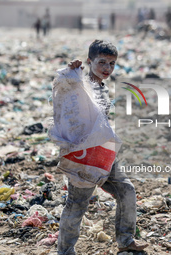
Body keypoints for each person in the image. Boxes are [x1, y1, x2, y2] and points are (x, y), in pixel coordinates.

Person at [56, 40, 149, 254]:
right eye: (102, 62)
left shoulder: (102, 87)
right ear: (90, 61)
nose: (107, 68)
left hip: (104, 153)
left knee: (126, 190)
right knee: (77, 202)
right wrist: (69, 71)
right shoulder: (80, 83)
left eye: (112, 64)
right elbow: (63, 88)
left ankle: (126, 240)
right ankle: (65, 250)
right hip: (83, 154)